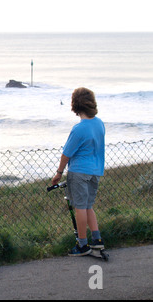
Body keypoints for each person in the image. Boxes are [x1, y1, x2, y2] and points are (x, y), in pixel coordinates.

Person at [52, 87, 105, 256]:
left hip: (79, 172)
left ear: (75, 105)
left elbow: (66, 154)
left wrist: (59, 173)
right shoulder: (99, 123)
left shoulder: (79, 129)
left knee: (80, 207)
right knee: (89, 206)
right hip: (96, 171)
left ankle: (82, 244)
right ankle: (97, 240)